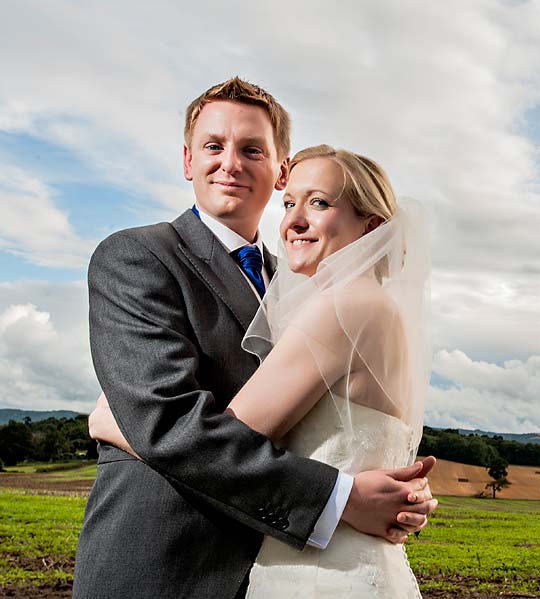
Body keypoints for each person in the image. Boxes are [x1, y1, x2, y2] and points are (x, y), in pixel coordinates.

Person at [74, 78, 436, 599]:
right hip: (165, 565)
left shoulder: (308, 285)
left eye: (252, 149)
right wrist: (341, 496)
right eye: (213, 147)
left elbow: (173, 429)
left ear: (279, 165)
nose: (230, 163)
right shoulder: (137, 257)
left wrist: (116, 423)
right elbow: (168, 424)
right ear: (187, 160)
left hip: (282, 566)